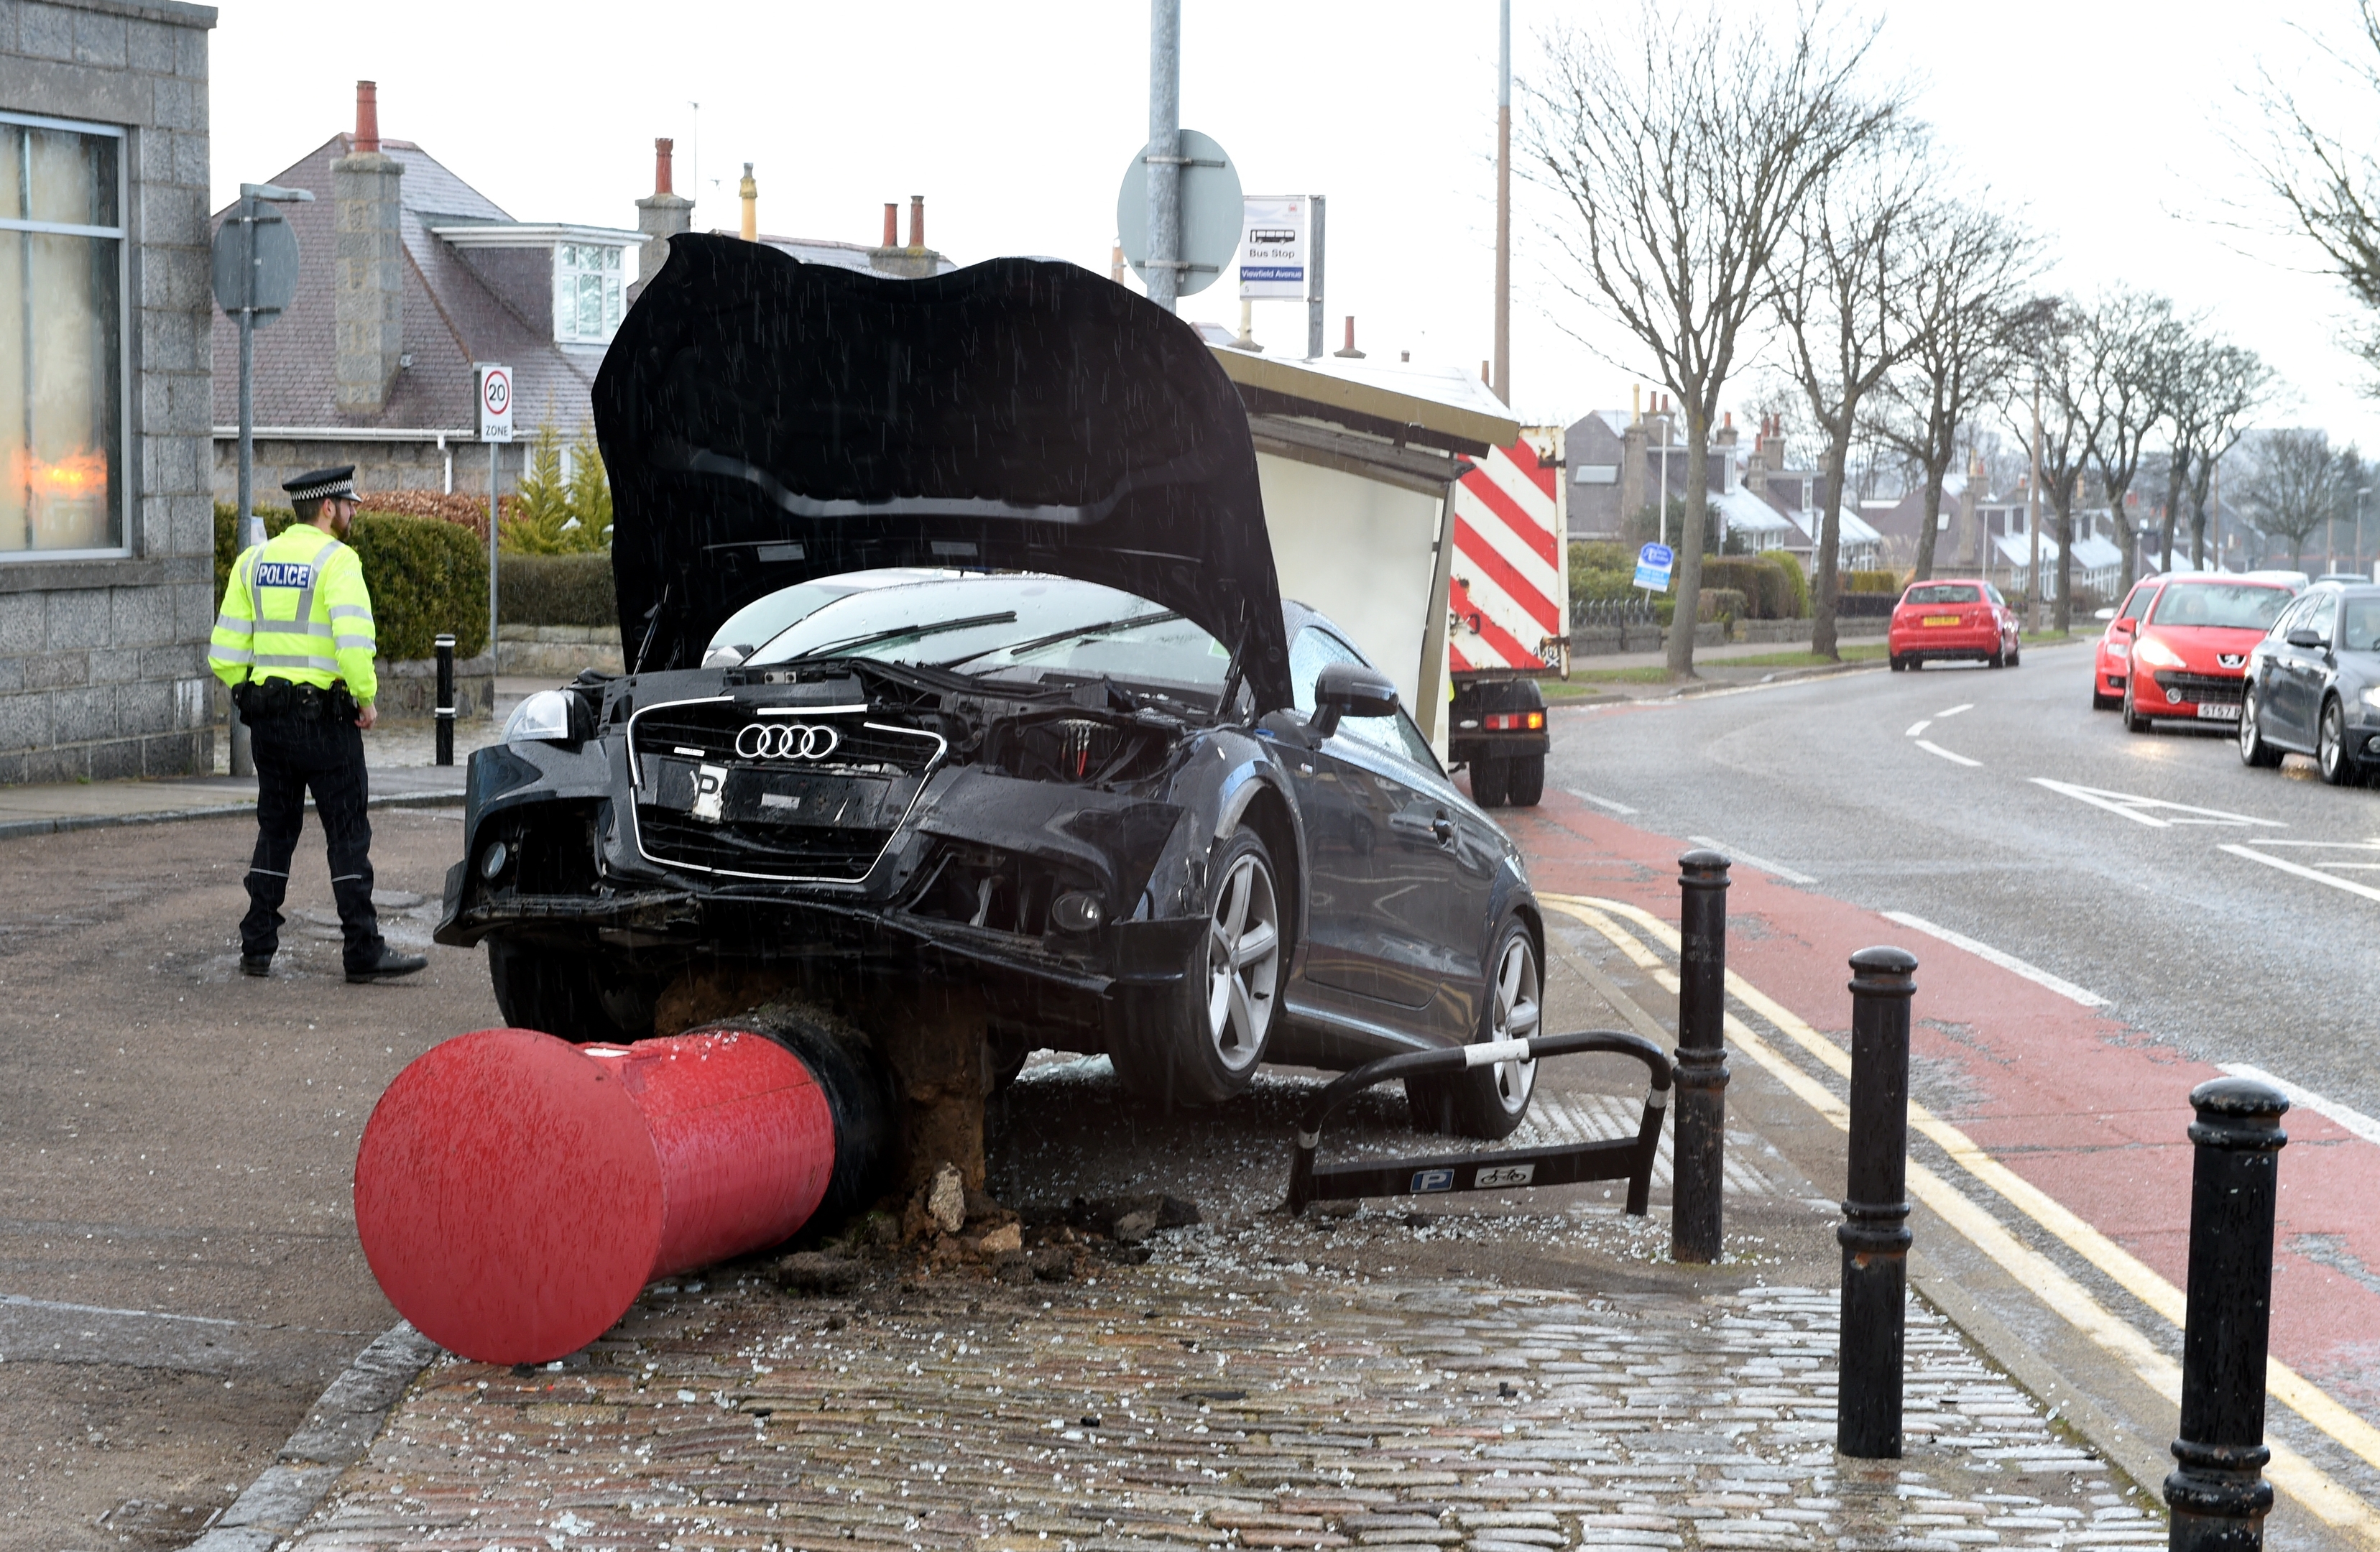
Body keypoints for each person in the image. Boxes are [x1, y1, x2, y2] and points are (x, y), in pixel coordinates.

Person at [208, 467, 428, 984]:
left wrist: (249, 690)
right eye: (349, 504)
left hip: (271, 726)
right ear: (328, 507)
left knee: (276, 831)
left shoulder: (253, 561)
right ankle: (362, 949)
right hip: (328, 724)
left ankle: (257, 944)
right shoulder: (338, 561)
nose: (354, 512)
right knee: (347, 835)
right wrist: (367, 700)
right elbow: (354, 643)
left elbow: (223, 654)